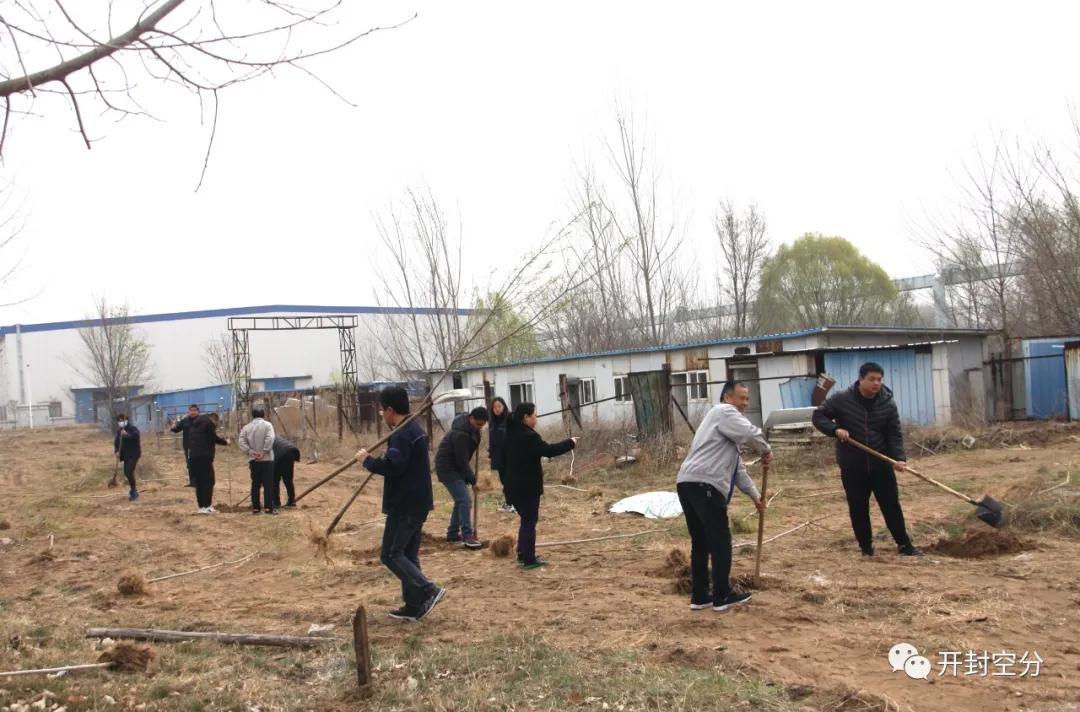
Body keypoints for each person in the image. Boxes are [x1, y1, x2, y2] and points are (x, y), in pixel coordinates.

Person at [676, 381, 771, 612]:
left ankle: (700, 596)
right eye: (741, 398)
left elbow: (738, 471)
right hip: (705, 485)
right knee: (720, 541)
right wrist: (766, 449)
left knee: (701, 543)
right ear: (728, 398)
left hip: (687, 483)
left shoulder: (721, 429)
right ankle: (722, 595)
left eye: (747, 399)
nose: (745, 403)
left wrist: (756, 497)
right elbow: (750, 433)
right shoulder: (724, 411)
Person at [355, 386, 446, 622]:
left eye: (381, 410)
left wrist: (368, 461)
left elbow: (393, 467)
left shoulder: (403, 434)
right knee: (408, 554)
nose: (381, 415)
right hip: (418, 502)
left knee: (391, 554)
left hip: (405, 505)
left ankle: (428, 590)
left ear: (390, 410)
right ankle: (414, 605)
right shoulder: (413, 429)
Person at [812, 362, 922, 557]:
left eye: (879, 379)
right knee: (858, 507)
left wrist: (899, 458)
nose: (876, 383)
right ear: (861, 379)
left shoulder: (887, 403)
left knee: (891, 505)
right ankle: (866, 548)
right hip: (853, 465)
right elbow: (819, 416)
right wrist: (835, 429)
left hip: (881, 464)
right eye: (872, 379)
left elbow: (894, 434)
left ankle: (905, 545)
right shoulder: (841, 399)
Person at [503, 402, 576, 570]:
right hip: (526, 487)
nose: (536, 418)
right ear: (526, 417)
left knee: (525, 521)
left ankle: (523, 554)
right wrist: (570, 443)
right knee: (529, 522)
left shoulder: (512, 432)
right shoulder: (528, 436)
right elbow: (549, 450)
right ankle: (529, 559)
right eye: (534, 415)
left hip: (513, 486)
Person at [434, 406, 489, 549]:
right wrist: (473, 480)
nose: (479, 427)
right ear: (471, 418)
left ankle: (452, 534)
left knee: (460, 500)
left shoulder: (472, 430)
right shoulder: (461, 434)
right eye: (478, 424)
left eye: (482, 425)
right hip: (447, 468)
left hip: (456, 468)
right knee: (465, 500)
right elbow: (462, 461)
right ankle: (467, 536)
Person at [188, 412, 230, 514]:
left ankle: (201, 507)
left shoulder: (195, 424)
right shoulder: (209, 423)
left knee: (199, 482)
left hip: (193, 457)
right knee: (209, 481)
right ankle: (207, 506)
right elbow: (213, 437)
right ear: (215, 420)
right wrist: (225, 442)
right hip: (204, 457)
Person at [238, 408, 277, 515]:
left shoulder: (247, 427)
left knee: (255, 484)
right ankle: (268, 508)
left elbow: (241, 441)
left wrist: (251, 452)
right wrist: (264, 451)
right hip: (267, 459)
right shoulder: (268, 425)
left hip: (253, 459)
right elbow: (270, 438)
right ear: (263, 415)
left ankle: (255, 508)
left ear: (253, 415)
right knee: (268, 484)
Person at [487, 397, 513, 513]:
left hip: (509, 455)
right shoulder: (492, 423)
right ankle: (509, 503)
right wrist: (490, 453)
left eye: (499, 406)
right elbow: (492, 440)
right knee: (503, 480)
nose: (497, 409)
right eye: (494, 407)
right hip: (498, 456)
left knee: (509, 480)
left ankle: (512, 503)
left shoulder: (510, 419)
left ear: (504, 407)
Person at [170, 404, 200, 487]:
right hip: (188, 446)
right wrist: (173, 427)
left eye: (194, 410)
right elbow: (176, 429)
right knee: (190, 464)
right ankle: (192, 482)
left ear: (198, 411)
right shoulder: (185, 421)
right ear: (188, 411)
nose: (193, 412)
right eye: (191, 410)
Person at [113, 414, 142, 502]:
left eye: (122, 420)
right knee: (126, 472)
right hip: (125, 455)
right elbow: (116, 442)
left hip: (134, 454)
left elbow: (136, 436)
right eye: (119, 421)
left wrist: (127, 435)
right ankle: (133, 489)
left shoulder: (132, 428)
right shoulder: (119, 431)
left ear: (126, 421)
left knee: (129, 471)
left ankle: (134, 491)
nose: (120, 422)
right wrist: (116, 451)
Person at [271, 435, 301, 509]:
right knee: (288, 480)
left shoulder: (265, 441)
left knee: (274, 480)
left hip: (282, 454)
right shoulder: (274, 437)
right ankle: (291, 501)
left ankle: (276, 503)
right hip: (292, 452)